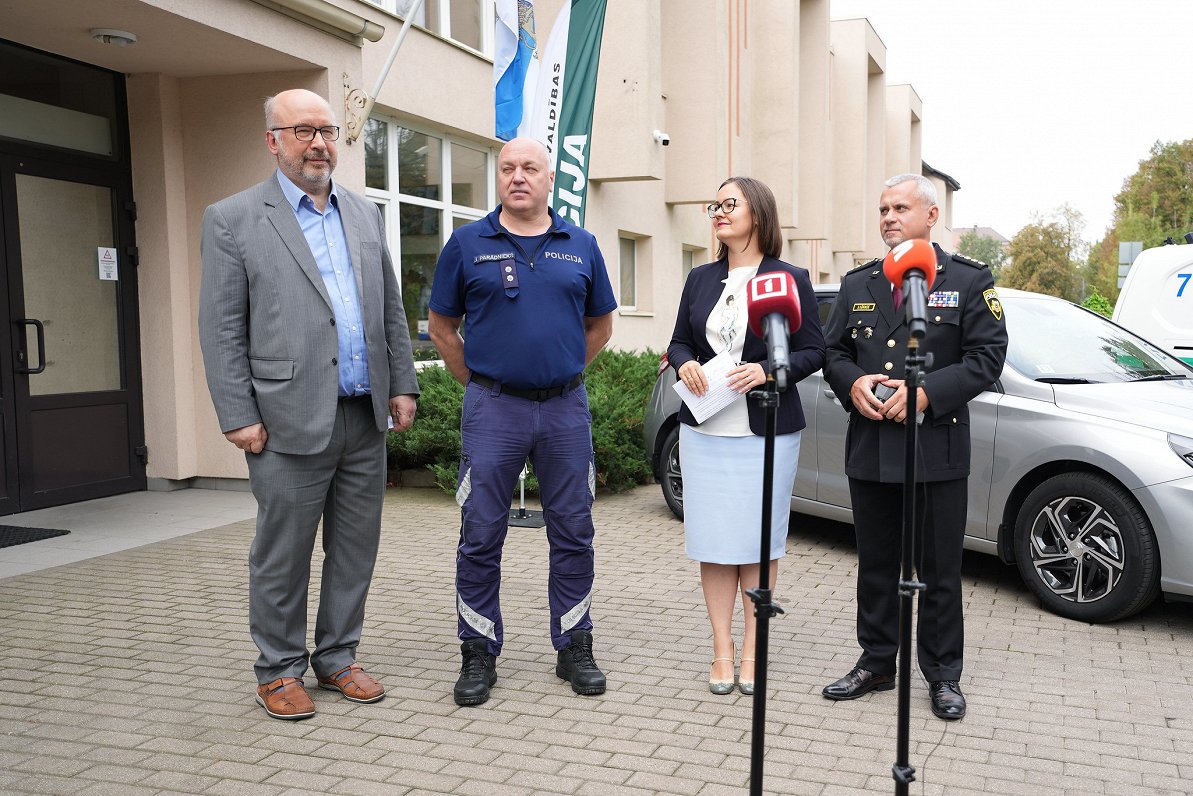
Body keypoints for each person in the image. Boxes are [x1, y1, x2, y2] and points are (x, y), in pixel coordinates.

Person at [198, 89, 420, 721]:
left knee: (355, 548)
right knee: (283, 552)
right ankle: (278, 669)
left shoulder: (362, 211)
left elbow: (387, 309)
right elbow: (220, 328)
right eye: (303, 131)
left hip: (361, 414)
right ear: (274, 141)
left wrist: (402, 382)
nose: (319, 142)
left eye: (326, 130)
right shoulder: (233, 218)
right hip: (283, 419)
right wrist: (237, 413)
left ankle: (338, 657)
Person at [427, 137, 617, 707]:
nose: (517, 177)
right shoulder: (466, 244)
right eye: (507, 168)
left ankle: (574, 645)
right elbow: (441, 328)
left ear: (548, 177)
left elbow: (600, 327)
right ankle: (478, 652)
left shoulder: (580, 245)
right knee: (480, 535)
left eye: (529, 167)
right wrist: (485, 385)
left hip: (565, 409)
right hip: (493, 409)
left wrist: (558, 372)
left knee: (574, 532)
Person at [820, 173, 1007, 720]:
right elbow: (832, 352)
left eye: (900, 207)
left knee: (939, 570)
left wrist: (926, 395)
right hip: (872, 443)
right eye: (882, 209)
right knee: (876, 563)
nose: (888, 218)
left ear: (931, 214)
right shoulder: (859, 283)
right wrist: (851, 381)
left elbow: (986, 359)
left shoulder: (969, 280)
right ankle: (877, 661)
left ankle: (943, 674)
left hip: (936, 449)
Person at [667, 177, 825, 695]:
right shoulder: (699, 277)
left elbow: (812, 352)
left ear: (758, 212)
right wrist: (685, 364)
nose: (718, 211)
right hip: (706, 429)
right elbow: (680, 340)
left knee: (759, 544)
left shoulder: (789, 276)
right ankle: (722, 650)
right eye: (714, 203)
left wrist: (767, 372)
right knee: (713, 544)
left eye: (729, 203)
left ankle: (755, 651)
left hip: (767, 431)